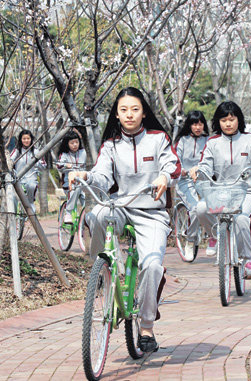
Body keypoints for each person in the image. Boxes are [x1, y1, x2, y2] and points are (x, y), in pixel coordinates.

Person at [69, 87, 181, 352]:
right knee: (96, 214)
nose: (129, 114)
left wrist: (164, 177)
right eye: (124, 110)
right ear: (117, 115)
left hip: (151, 213)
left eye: (135, 109)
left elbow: (173, 166)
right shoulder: (111, 145)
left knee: (152, 266)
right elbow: (102, 176)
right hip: (120, 206)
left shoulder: (158, 138)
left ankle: (146, 328)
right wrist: (86, 176)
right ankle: (101, 268)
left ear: (143, 113)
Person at [190, 101, 251, 279]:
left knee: (241, 219)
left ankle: (248, 259)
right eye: (224, 120)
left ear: (238, 120)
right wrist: (198, 170)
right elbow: (205, 165)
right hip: (219, 193)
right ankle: (215, 235)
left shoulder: (250, 140)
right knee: (200, 209)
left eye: (232, 119)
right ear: (218, 122)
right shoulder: (212, 142)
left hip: (246, 192)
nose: (228, 123)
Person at [174, 110, 217, 261]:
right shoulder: (182, 141)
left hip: (203, 179)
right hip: (184, 180)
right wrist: (183, 171)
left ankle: (214, 236)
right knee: (194, 210)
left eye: (200, 123)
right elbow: (175, 160)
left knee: (211, 207)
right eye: (194, 124)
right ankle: (190, 240)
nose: (198, 127)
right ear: (189, 125)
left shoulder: (208, 141)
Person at [10, 129, 47, 213]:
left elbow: (44, 165)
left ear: (31, 139)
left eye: (28, 138)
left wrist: (36, 162)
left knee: (31, 186)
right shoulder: (17, 151)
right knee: (13, 197)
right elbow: (10, 161)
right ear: (20, 140)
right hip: (18, 178)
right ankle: (14, 214)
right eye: (24, 139)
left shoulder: (36, 151)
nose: (26, 141)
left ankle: (31, 206)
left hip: (31, 178)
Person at [57, 130, 87, 223]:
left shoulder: (83, 152)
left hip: (83, 182)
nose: (75, 145)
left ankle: (87, 215)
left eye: (77, 142)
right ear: (67, 144)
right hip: (69, 183)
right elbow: (59, 166)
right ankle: (68, 213)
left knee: (86, 196)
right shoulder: (64, 154)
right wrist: (66, 165)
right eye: (72, 143)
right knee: (75, 190)